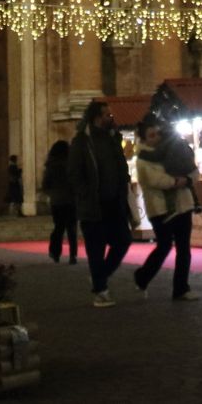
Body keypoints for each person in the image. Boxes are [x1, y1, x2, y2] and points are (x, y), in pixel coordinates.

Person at [70, 99, 132, 305]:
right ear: (97, 117)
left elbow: (121, 166)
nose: (111, 118)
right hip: (93, 204)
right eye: (108, 115)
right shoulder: (82, 141)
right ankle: (101, 291)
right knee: (96, 249)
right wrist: (85, 194)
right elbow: (74, 173)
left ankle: (99, 277)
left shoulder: (113, 139)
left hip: (115, 203)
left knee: (123, 241)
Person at [131, 118, 200, 301]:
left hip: (182, 204)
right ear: (143, 139)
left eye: (157, 134)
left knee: (184, 249)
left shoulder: (174, 151)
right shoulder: (143, 160)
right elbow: (156, 180)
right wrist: (179, 181)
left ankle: (181, 288)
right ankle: (143, 276)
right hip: (160, 209)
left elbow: (191, 170)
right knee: (164, 246)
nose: (156, 138)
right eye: (151, 135)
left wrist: (188, 179)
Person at [39, 141, 78, 263]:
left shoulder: (51, 166)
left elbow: (45, 185)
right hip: (71, 200)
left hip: (57, 201)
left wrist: (52, 194)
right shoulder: (72, 165)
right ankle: (73, 255)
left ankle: (55, 252)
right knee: (72, 229)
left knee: (58, 227)